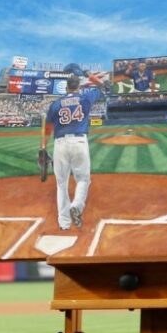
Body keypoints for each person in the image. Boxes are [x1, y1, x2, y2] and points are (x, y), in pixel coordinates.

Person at [46, 74, 103, 230]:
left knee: (61, 184)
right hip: (79, 142)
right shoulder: (85, 98)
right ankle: (77, 206)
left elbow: (47, 128)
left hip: (60, 144)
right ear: (78, 86)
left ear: (66, 88)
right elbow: (103, 87)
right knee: (83, 180)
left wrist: (43, 147)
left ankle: (64, 223)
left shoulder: (56, 104)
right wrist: (90, 80)